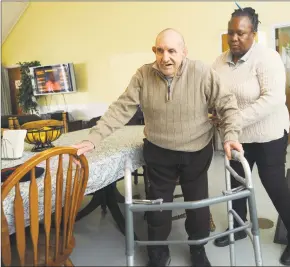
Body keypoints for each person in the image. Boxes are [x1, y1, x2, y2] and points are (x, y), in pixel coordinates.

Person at [73, 28, 243, 267]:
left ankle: (197, 248)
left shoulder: (202, 72)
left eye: (172, 51)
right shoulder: (143, 75)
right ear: (154, 51)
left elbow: (227, 104)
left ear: (184, 52)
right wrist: (94, 138)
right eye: (160, 50)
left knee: (197, 206)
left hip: (196, 151)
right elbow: (121, 108)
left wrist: (230, 135)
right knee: (157, 207)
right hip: (159, 152)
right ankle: (157, 251)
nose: (165, 58)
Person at [211, 7, 290, 266]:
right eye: (231, 32)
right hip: (236, 137)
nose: (234, 38)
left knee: (274, 185)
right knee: (237, 185)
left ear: (253, 34)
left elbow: (273, 99)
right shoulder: (219, 62)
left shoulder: (267, 58)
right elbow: (213, 93)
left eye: (240, 33)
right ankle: (240, 228)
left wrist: (233, 119)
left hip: (268, 136)